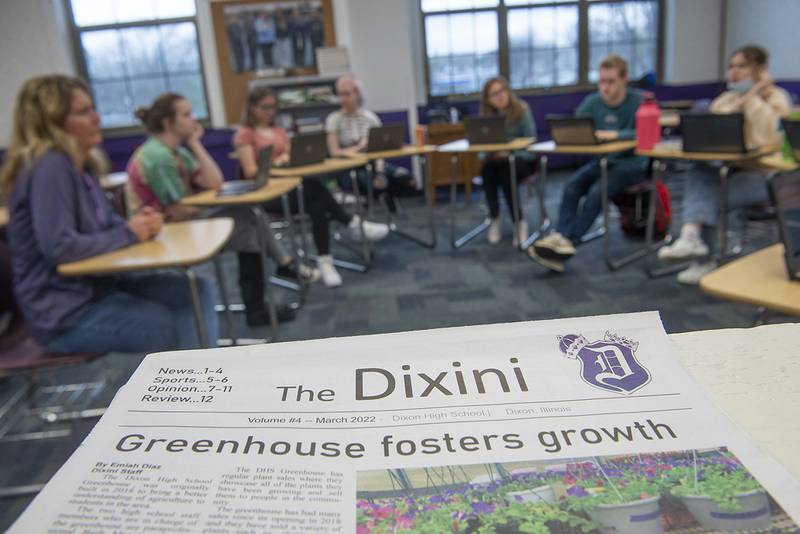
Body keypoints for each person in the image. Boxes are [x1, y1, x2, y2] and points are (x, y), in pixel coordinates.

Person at [0, 75, 218, 353]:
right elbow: (60, 246)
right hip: (65, 312)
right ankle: (196, 390)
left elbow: (106, 226)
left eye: (93, 109)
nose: (96, 118)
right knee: (187, 323)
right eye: (83, 112)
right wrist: (129, 233)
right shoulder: (50, 167)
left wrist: (138, 224)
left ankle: (199, 384)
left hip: (99, 288)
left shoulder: (82, 167)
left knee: (197, 291)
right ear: (52, 124)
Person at [126, 93, 311, 326]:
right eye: (186, 114)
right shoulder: (157, 156)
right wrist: (208, 204)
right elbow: (177, 211)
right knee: (248, 220)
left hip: (180, 225)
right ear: (168, 123)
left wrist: (195, 143)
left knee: (248, 219)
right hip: (164, 234)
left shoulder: (178, 152)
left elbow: (214, 183)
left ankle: (263, 297)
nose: (193, 120)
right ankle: (271, 284)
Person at [657, 44, 791, 284]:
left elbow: (770, 137)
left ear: (760, 70)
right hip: (729, 170)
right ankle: (691, 237)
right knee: (699, 169)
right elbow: (715, 129)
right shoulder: (727, 98)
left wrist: (755, 94)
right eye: (731, 67)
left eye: (742, 66)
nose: (734, 72)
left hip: (766, 177)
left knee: (709, 199)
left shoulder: (777, 99)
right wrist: (743, 98)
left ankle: (703, 256)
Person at [233, 86, 389, 287]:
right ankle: (350, 225)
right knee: (315, 190)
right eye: (266, 107)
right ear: (253, 108)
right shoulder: (245, 134)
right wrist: (276, 163)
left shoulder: (279, 130)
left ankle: (326, 260)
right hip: (266, 194)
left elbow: (292, 154)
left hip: (289, 187)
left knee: (317, 203)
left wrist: (288, 157)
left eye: (274, 107)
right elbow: (250, 171)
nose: (271, 111)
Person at [530, 54, 649, 272]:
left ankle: (568, 242)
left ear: (624, 79)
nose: (605, 87)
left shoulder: (640, 101)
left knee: (597, 192)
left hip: (632, 164)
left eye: (611, 81)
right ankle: (560, 235)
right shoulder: (593, 101)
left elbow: (647, 133)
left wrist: (615, 135)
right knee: (572, 186)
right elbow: (576, 124)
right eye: (602, 81)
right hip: (603, 161)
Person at [326, 74, 411, 212]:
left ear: (357, 93)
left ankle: (383, 184)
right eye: (340, 94)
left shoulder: (370, 118)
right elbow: (334, 152)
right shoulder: (334, 119)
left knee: (405, 178)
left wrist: (379, 166)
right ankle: (383, 191)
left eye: (347, 94)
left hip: (373, 162)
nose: (343, 99)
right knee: (366, 177)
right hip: (349, 168)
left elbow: (380, 150)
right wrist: (360, 147)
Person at [479, 76, 537, 246]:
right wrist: (489, 154)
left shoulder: (522, 110)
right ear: (488, 100)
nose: (500, 96)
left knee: (506, 169)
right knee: (487, 169)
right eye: (494, 94)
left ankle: (519, 221)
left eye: (502, 91)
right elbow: (481, 150)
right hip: (496, 161)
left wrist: (509, 152)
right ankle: (494, 217)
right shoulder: (487, 118)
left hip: (522, 160)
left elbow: (531, 143)